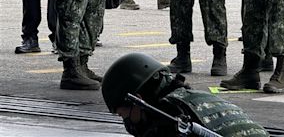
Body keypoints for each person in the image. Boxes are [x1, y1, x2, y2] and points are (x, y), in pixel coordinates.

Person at [102, 52, 269, 137]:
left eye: (122, 115)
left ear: (138, 101)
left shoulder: (169, 121)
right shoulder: (192, 99)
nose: (126, 122)